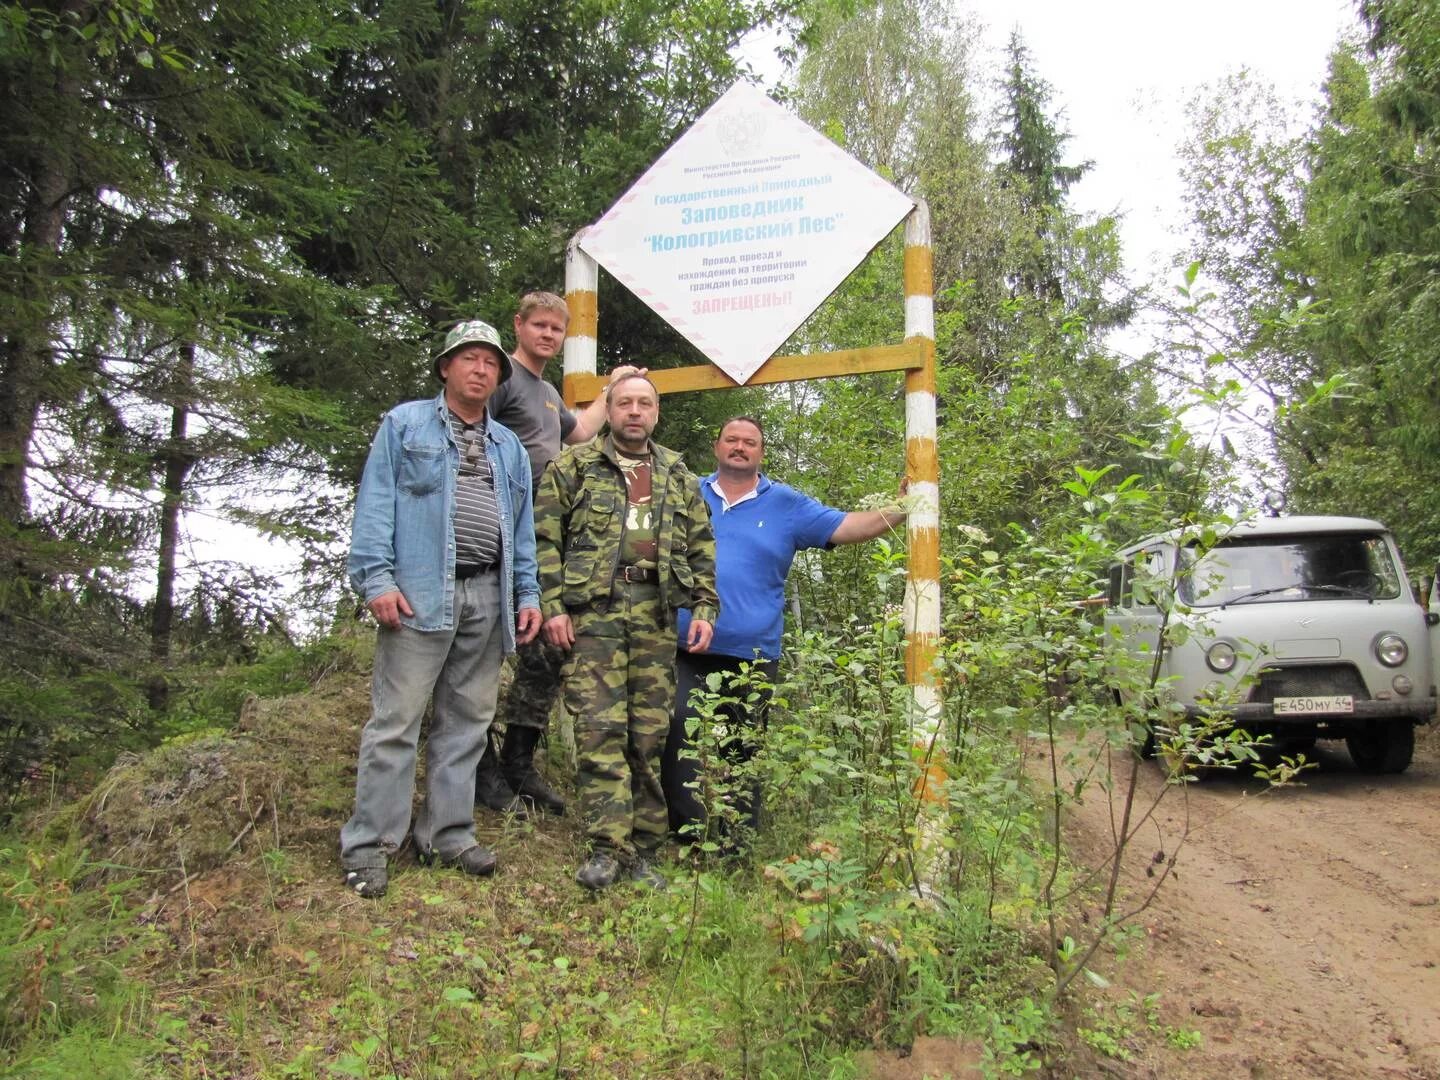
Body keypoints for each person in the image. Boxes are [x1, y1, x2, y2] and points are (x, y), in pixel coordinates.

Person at [339, 320, 542, 899]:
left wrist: (526, 594)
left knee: (467, 725)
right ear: (447, 367)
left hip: (488, 598)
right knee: (395, 724)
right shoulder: (404, 426)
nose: (481, 369)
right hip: (418, 596)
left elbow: (520, 533)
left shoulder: (510, 449)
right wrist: (375, 579)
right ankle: (371, 845)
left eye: (491, 363)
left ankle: (448, 835)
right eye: (470, 359)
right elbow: (375, 503)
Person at [663, 415, 906, 846]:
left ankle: (736, 844)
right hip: (686, 647)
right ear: (717, 447)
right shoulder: (685, 491)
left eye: (750, 442)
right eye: (731, 439)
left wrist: (901, 508)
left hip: (753, 656)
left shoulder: (786, 504)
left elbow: (847, 526)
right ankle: (688, 836)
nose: (740, 447)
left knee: (742, 750)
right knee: (678, 734)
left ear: (761, 453)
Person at [533, 374, 719, 891]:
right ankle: (606, 847)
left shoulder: (678, 475)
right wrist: (553, 606)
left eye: (644, 404)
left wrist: (705, 606)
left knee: (648, 732)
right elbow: (543, 539)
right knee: (599, 728)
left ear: (656, 413)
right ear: (609, 410)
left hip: (656, 615)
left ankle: (645, 849)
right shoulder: (573, 467)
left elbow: (702, 545)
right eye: (624, 403)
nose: (634, 412)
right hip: (594, 612)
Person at [477, 291, 642, 817]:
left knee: (545, 652)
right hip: (496, 535)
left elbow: (582, 431)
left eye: (557, 328)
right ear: (519, 325)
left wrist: (615, 387)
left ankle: (518, 763)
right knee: (479, 653)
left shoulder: (545, 391)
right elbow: (475, 439)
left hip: (541, 538)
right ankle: (480, 769)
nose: (549, 335)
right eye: (540, 326)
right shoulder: (502, 380)